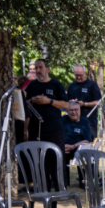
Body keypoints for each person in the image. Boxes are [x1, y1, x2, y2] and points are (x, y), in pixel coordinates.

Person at [24, 59, 69, 190]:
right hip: (36, 128)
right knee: (40, 161)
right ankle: (43, 187)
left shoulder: (56, 85)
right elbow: (24, 104)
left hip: (54, 129)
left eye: (40, 68)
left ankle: (60, 187)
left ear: (48, 69)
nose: (38, 71)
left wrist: (49, 101)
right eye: (35, 68)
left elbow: (66, 105)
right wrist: (32, 100)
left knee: (57, 158)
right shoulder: (31, 86)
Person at [62, 102, 93, 187]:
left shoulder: (84, 121)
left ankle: (83, 181)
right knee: (58, 154)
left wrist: (73, 146)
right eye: (71, 110)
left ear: (79, 110)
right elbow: (57, 136)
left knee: (85, 152)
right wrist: (62, 146)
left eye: (76, 110)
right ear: (67, 111)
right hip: (64, 148)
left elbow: (87, 140)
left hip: (78, 148)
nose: (73, 112)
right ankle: (63, 181)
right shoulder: (62, 120)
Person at [67, 64, 102, 140]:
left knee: (89, 143)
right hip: (74, 122)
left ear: (85, 73)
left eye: (80, 75)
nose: (78, 77)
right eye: (76, 75)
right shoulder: (72, 86)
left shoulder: (92, 85)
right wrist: (71, 103)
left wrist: (84, 104)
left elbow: (98, 102)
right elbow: (66, 102)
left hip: (90, 121)